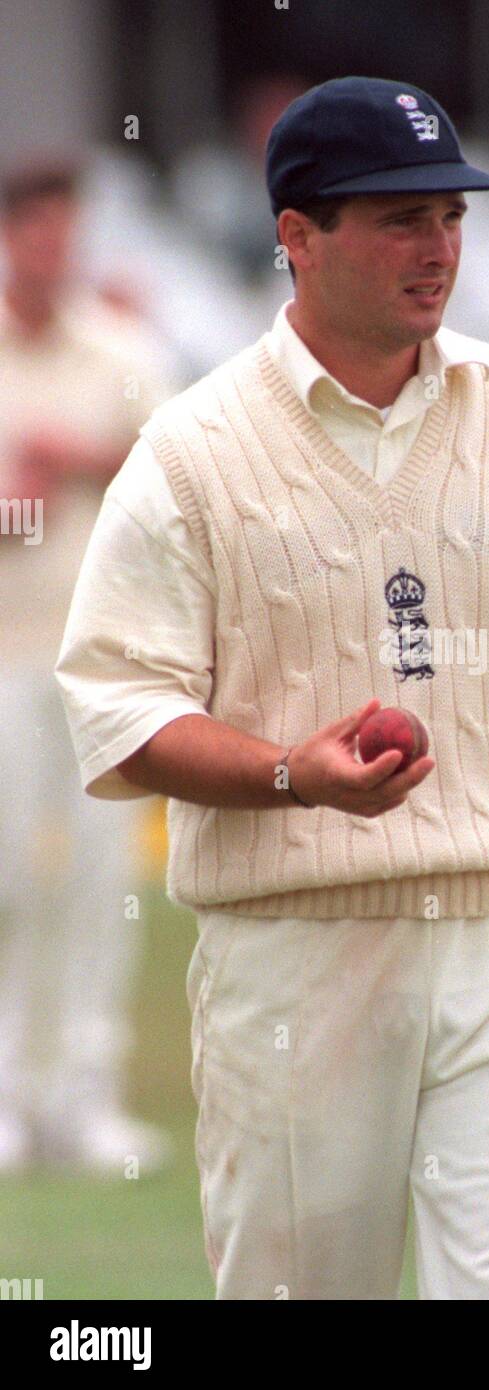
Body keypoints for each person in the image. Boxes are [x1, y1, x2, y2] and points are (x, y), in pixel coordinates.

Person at [55, 77, 489, 1299]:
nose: (436, 249)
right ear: (297, 236)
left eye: (449, 216)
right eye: (397, 218)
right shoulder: (192, 449)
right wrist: (293, 777)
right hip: (294, 952)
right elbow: (122, 709)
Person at [0, 158, 175, 1174]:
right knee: (9, 879)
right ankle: (11, 1099)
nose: (51, 248)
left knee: (103, 881)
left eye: (66, 230)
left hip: (109, 659)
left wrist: (82, 459)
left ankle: (85, 1099)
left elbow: (174, 474)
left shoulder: (121, 351)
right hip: (6, 653)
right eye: (34, 230)